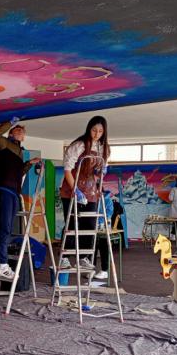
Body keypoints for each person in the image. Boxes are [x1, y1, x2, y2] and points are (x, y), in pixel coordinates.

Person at [0, 119, 40, 279]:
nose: (21, 132)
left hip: (14, 192)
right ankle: (2, 263)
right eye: (18, 129)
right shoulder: (4, 144)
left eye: (23, 131)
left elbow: (19, 172)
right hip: (4, 189)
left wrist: (29, 163)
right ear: (11, 132)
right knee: (5, 228)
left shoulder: (19, 152)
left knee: (6, 229)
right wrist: (10, 121)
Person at [60, 115, 110, 271]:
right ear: (89, 129)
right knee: (72, 223)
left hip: (91, 191)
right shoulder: (79, 145)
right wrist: (75, 190)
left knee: (89, 224)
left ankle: (84, 257)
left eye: (100, 131)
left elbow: (100, 171)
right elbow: (67, 170)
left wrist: (101, 172)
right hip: (72, 189)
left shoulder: (103, 148)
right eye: (94, 130)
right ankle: (65, 258)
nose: (96, 134)